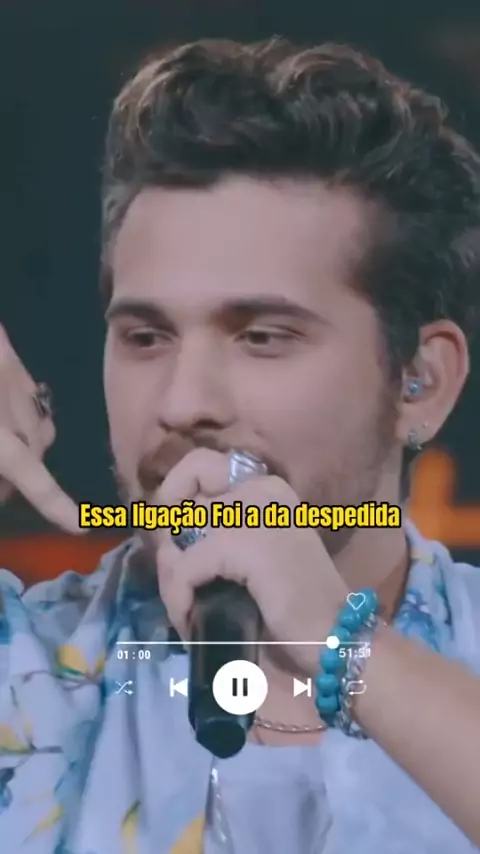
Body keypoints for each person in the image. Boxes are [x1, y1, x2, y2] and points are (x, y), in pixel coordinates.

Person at [1, 35, 480, 854]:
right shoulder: (27, 671)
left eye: (262, 337)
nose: (184, 403)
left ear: (421, 382)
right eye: (146, 336)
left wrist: (342, 643)